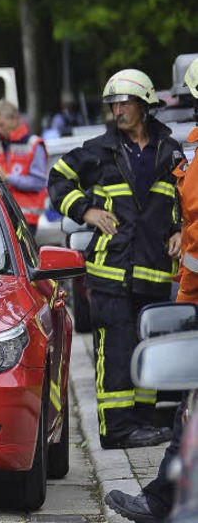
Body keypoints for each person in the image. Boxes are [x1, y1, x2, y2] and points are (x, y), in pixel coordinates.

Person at [49, 69, 182, 450]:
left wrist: (177, 230)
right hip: (111, 272)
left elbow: (177, 200)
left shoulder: (169, 149)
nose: (118, 110)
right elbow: (58, 180)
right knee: (117, 350)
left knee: (149, 347)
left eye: (124, 102)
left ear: (144, 104)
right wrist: (86, 211)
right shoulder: (99, 149)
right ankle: (116, 430)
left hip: (153, 269)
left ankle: (144, 424)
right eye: (113, 104)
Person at [104, 60, 198, 523]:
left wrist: (185, 302)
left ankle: (162, 501)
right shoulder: (181, 153)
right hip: (132, 278)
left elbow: (195, 233)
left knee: (190, 412)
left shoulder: (178, 154)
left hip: (187, 294)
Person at [0, 99, 48, 233]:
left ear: (15, 119)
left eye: (1, 125)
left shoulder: (34, 144)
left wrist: (8, 178)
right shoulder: (2, 145)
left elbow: (38, 182)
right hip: (5, 215)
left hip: (25, 220)